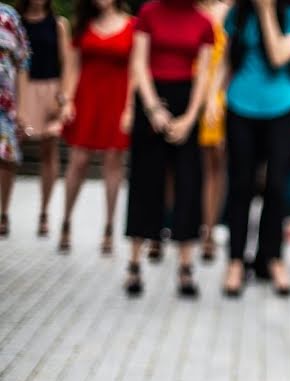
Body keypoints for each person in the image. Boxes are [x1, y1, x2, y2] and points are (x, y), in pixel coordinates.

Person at [209, 0, 290, 296]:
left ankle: (273, 259)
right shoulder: (238, 13)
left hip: (280, 109)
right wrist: (214, 97)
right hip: (240, 107)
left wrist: (266, 12)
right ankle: (236, 261)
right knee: (240, 186)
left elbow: (279, 56)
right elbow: (227, 59)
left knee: (277, 187)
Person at [123, 0, 213, 297]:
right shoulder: (149, 12)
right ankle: (134, 263)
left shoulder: (203, 21)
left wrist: (190, 118)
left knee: (189, 183)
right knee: (144, 181)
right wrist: (152, 109)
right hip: (151, 98)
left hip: (186, 99)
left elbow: (204, 75)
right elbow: (138, 63)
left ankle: (186, 266)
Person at [59, 0, 134, 255]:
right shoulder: (83, 25)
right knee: (78, 160)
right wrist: (67, 100)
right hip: (87, 99)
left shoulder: (132, 25)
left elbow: (137, 69)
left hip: (117, 100)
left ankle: (109, 228)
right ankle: (66, 221)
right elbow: (73, 66)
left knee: (113, 163)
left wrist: (131, 108)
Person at [18, 0, 71, 239]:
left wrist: (62, 98)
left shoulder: (58, 24)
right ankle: (4, 212)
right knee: (9, 151)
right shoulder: (16, 22)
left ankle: (44, 212)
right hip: (22, 90)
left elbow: (67, 64)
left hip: (50, 90)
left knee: (49, 150)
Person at [198, 0, 231, 262]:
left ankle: (208, 231)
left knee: (214, 167)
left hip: (219, 96)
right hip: (189, 89)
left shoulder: (232, 10)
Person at [0, 5, 30, 239]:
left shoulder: (8, 17)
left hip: (5, 102)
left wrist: (23, 109)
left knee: (6, 158)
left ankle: (2, 212)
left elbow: (22, 64)